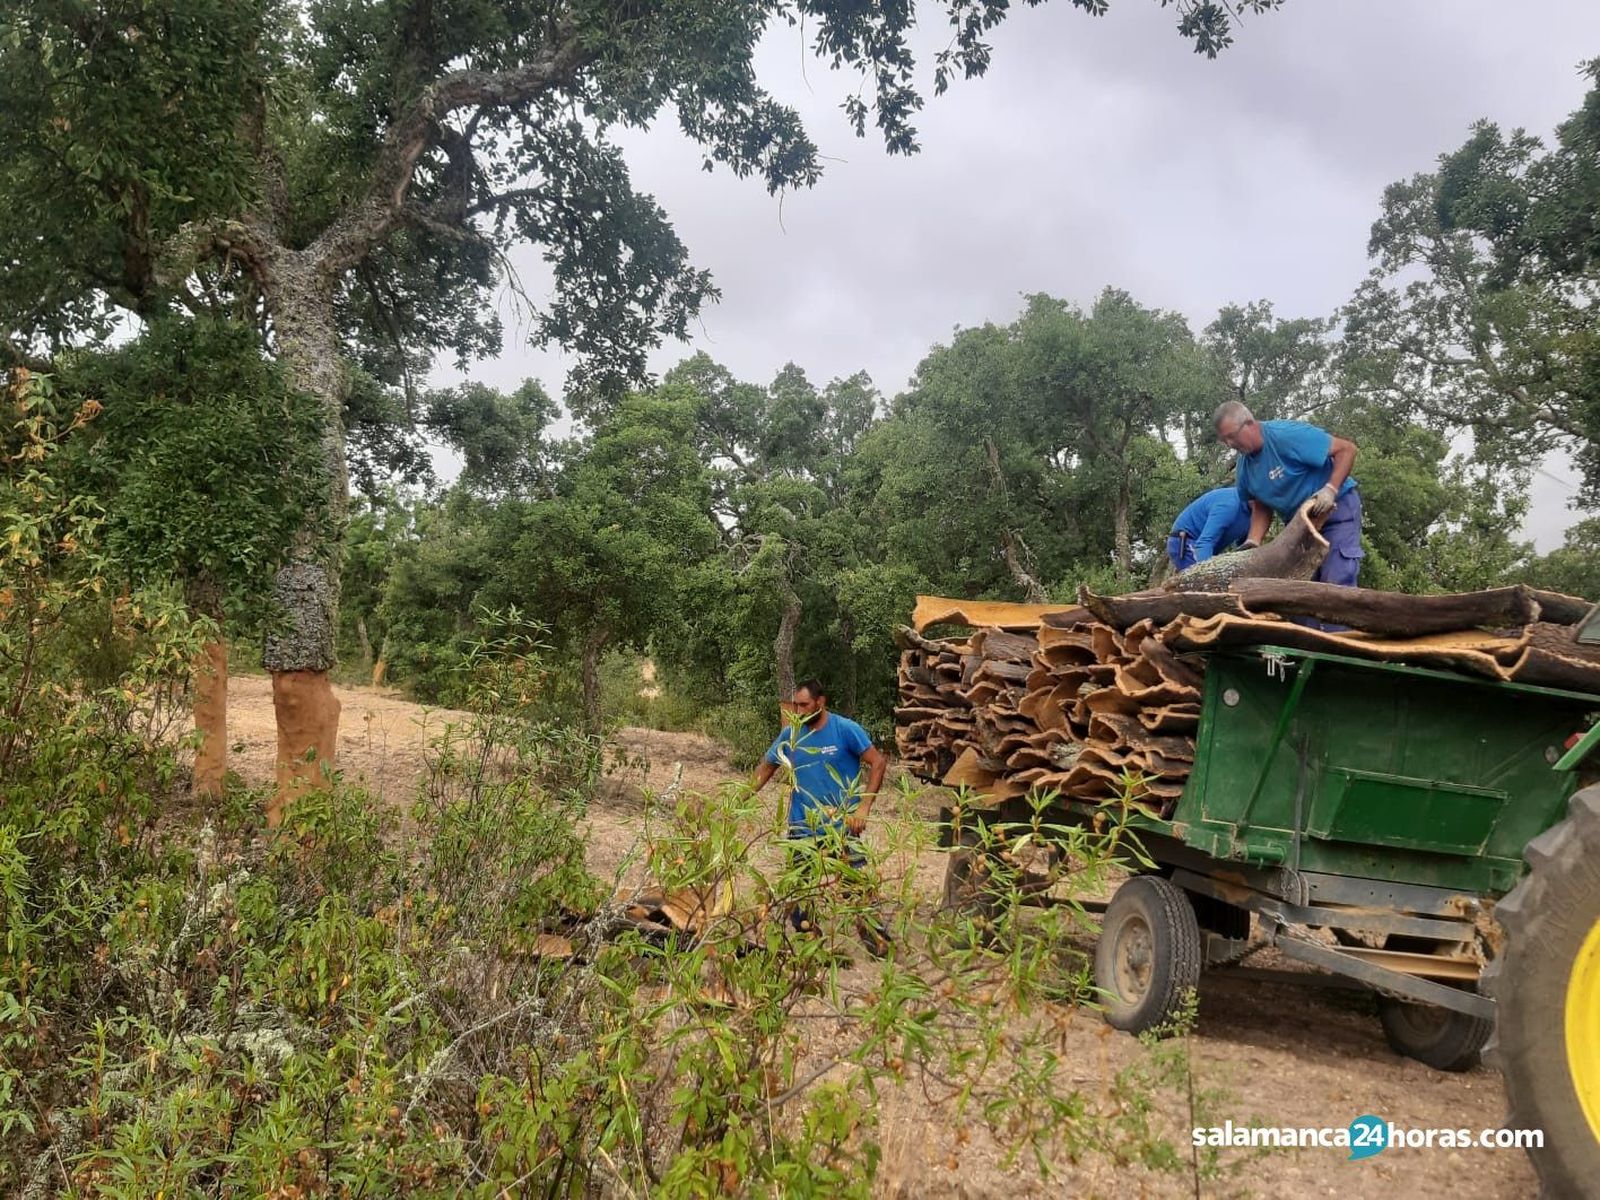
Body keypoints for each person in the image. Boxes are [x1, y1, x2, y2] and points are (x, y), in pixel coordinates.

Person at [751, 678, 890, 953]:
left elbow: (878, 763)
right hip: (803, 827)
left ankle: (877, 942)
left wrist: (863, 807)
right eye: (796, 706)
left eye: (805, 705)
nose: (800, 711)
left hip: (841, 826)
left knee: (857, 885)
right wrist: (736, 800)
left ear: (820, 702)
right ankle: (810, 943)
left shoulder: (845, 730)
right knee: (797, 891)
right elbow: (765, 769)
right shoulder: (791, 735)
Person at [1213, 400, 1363, 588]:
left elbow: (1346, 449)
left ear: (1250, 423)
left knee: (1337, 578)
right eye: (1225, 440)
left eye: (1232, 436)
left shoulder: (1286, 435)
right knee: (1302, 587)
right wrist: (1253, 541)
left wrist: (1330, 489)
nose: (1230, 445)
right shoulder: (1245, 469)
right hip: (1300, 525)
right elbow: (1261, 504)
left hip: (1336, 509)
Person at [1167, 485, 1253, 572]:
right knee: (1203, 581)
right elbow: (1204, 543)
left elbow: (1244, 548)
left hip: (1208, 548)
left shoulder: (1256, 515)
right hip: (1187, 542)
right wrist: (1208, 573)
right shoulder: (1228, 505)